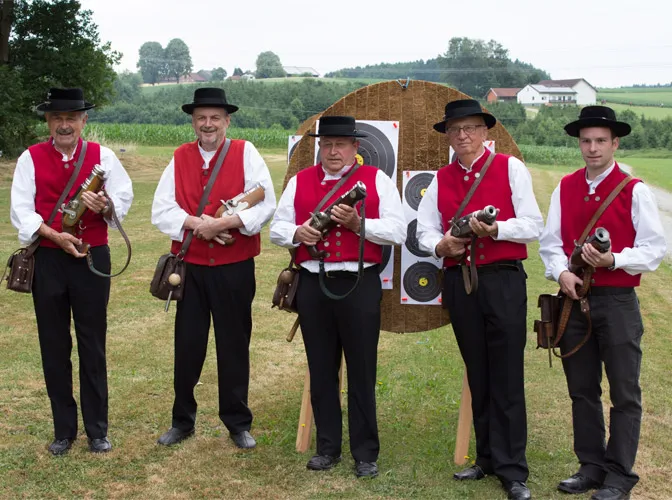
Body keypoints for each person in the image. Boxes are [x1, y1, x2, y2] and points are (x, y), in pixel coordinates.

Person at [416, 99, 543, 500]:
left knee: (506, 373)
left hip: (503, 279)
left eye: (471, 128)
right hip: (461, 280)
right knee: (478, 369)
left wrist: (496, 230)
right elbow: (422, 230)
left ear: (486, 132)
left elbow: (533, 226)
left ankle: (512, 468)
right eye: (455, 130)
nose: (463, 136)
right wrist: (442, 245)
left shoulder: (511, 168)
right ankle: (487, 457)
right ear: (448, 136)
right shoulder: (440, 178)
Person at [539, 106, 666, 500]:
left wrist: (614, 259)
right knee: (582, 389)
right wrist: (562, 273)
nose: (592, 148)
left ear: (615, 143)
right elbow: (550, 244)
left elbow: (655, 248)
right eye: (586, 141)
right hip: (575, 299)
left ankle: (619, 475)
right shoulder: (566, 186)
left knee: (624, 391)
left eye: (599, 141)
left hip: (617, 300)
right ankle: (590, 466)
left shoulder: (634, 189)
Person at [270, 116, 406, 478]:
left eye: (341, 145)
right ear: (319, 147)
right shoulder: (300, 181)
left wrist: (359, 226)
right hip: (314, 284)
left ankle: (365, 453)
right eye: (327, 144)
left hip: (359, 283)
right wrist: (298, 232)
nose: (333, 151)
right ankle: (327, 447)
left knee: (362, 369)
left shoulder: (376, 180)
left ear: (355, 148)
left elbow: (397, 230)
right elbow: (277, 229)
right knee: (321, 368)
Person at [9, 87, 134, 455]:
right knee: (54, 344)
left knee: (92, 343)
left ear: (84, 120)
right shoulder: (30, 158)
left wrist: (105, 204)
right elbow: (21, 210)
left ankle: (97, 430)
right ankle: (64, 430)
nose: (64, 125)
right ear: (48, 122)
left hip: (92, 258)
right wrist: (53, 234)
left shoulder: (104, 157)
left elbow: (122, 204)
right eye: (57, 118)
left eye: (71, 118)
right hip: (49, 259)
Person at [151, 87, 276, 449]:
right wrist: (197, 224)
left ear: (227, 121)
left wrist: (222, 224)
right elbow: (161, 209)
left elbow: (265, 203)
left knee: (234, 343)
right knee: (187, 345)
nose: (208, 124)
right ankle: (182, 420)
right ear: (193, 121)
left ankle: (237, 423)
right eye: (201, 118)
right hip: (189, 268)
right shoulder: (179, 157)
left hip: (234, 267)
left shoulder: (246, 152)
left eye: (215, 118)